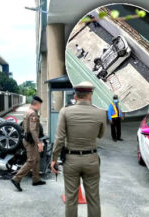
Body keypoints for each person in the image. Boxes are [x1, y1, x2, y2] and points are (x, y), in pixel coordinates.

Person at [50, 81, 106, 217]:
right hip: (91, 160)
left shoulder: (65, 111)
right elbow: (101, 134)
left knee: (71, 199)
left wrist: (54, 159)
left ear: (75, 95)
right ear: (90, 95)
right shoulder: (100, 112)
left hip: (71, 160)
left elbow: (59, 138)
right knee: (94, 199)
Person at [11, 96, 46, 191]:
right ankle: (16, 179)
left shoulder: (27, 111)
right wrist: (39, 142)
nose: (40, 107)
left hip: (29, 140)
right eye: (40, 105)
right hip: (31, 141)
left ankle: (36, 179)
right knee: (31, 160)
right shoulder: (33, 114)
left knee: (37, 159)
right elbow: (33, 130)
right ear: (37, 104)